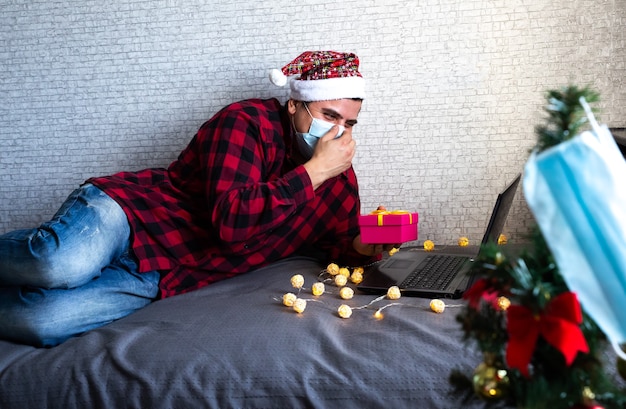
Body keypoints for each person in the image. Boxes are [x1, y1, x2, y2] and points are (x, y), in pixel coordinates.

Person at [0, 51, 396, 347]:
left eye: (348, 123)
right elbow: (231, 223)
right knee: (56, 264)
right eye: (328, 116)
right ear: (294, 105)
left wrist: (367, 244)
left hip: (166, 273)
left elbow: (338, 246)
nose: (338, 133)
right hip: (133, 215)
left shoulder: (339, 182)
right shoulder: (247, 122)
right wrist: (314, 173)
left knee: (42, 321)